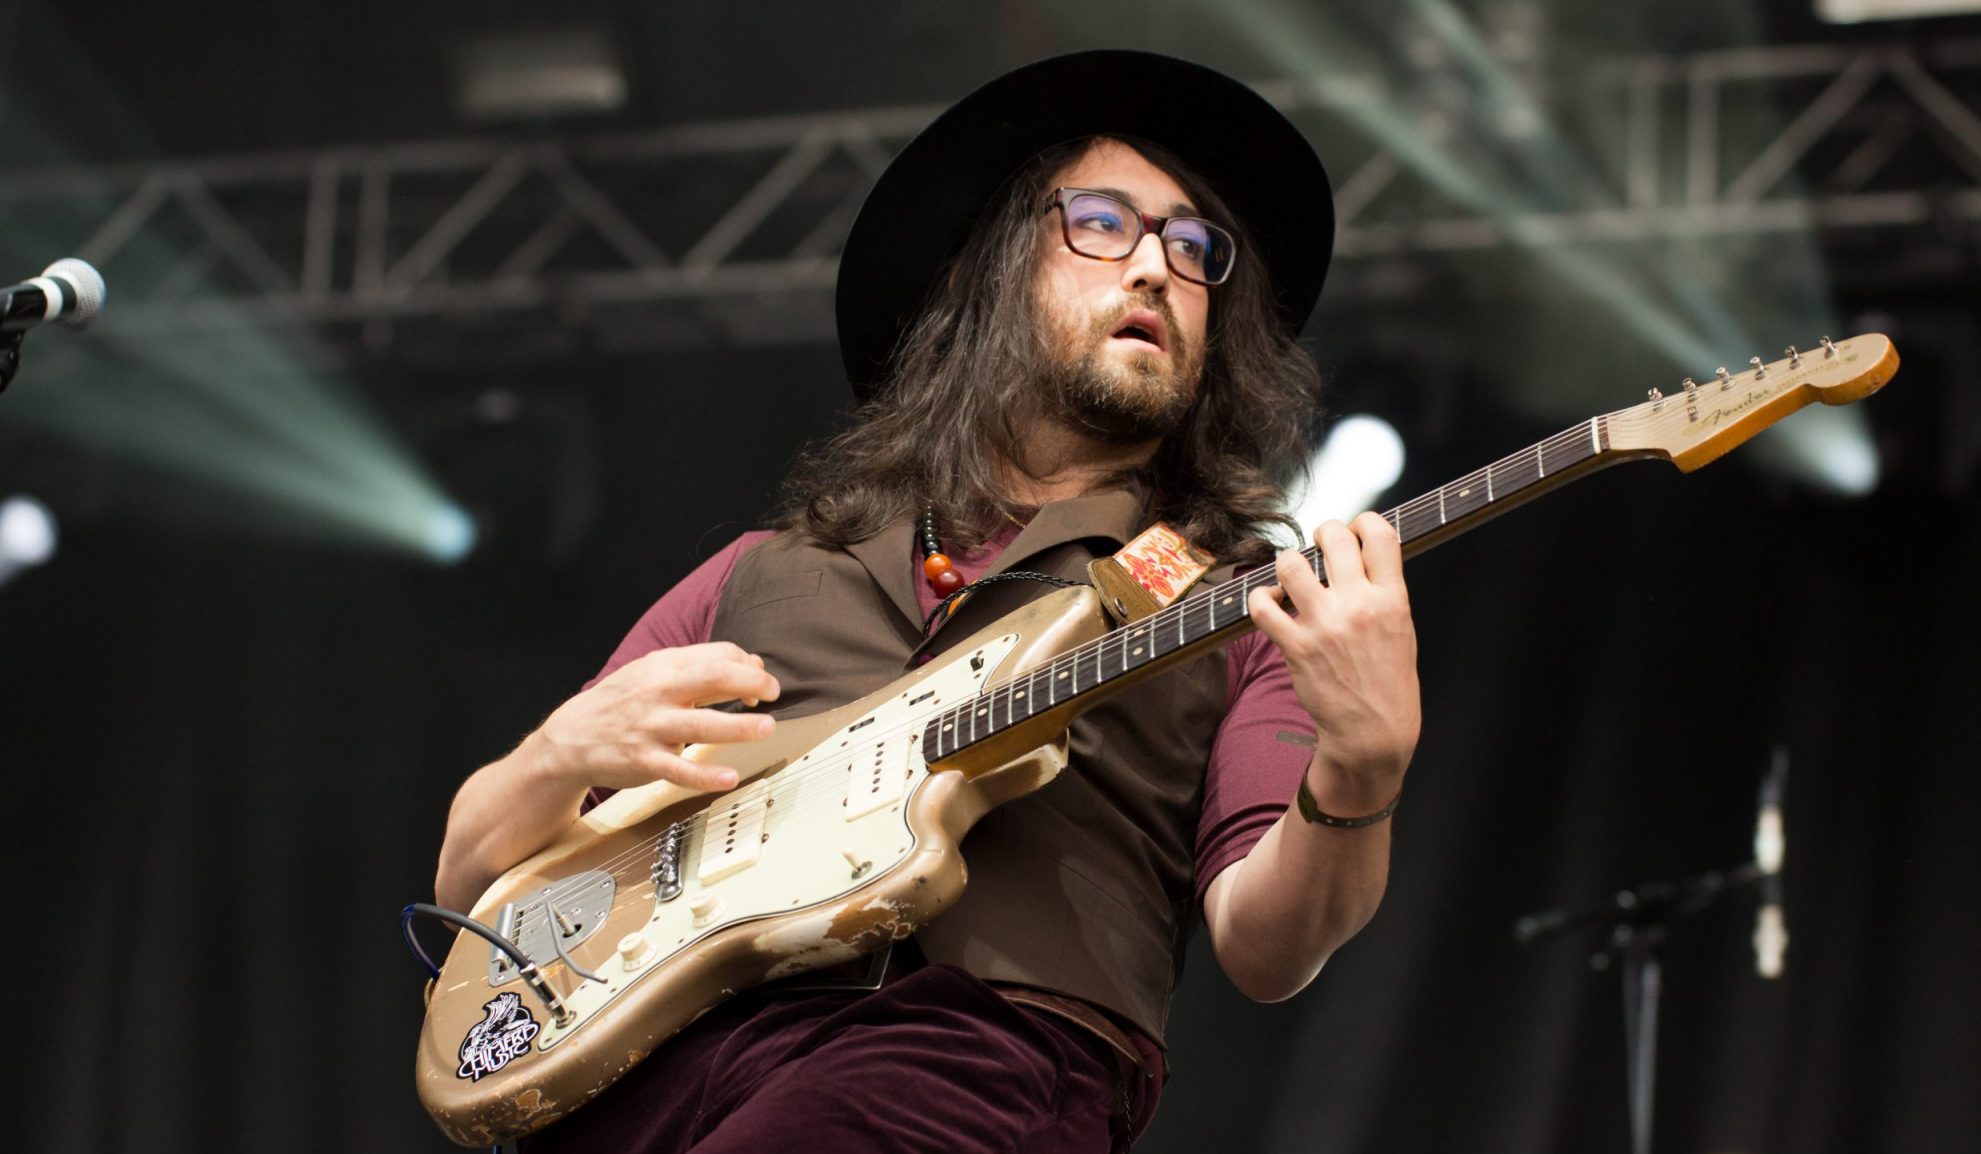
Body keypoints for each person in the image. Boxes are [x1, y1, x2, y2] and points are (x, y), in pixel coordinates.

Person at [433, 49, 1421, 1153]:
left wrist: (1361, 770)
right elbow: (474, 874)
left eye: (1193, 249)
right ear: (979, 277)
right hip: (657, 1063)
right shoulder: (760, 568)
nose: (1155, 266)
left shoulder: (1238, 604)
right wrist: (561, 751)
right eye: (1102, 222)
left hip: (969, 1050)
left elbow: (1268, 946)